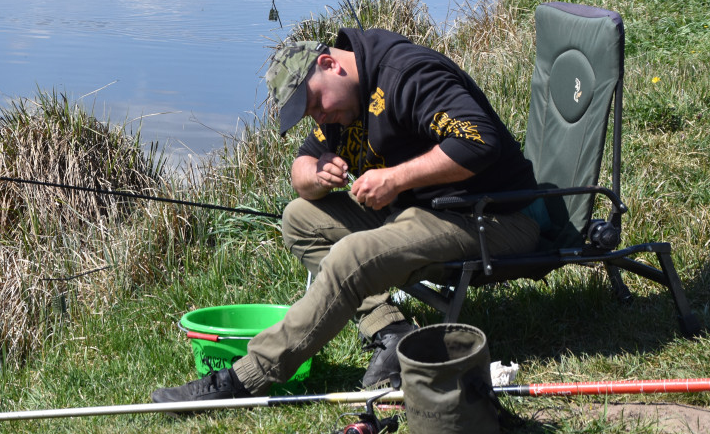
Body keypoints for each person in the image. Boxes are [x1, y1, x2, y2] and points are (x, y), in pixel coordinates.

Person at [151, 30, 547, 403]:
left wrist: (394, 178)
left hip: (494, 217)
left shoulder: (408, 75)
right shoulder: (343, 102)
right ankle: (392, 332)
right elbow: (301, 169)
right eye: (309, 114)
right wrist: (316, 175)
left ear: (329, 64)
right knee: (298, 218)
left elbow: (480, 140)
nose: (318, 118)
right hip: (422, 215)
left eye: (315, 105)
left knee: (351, 256)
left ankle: (243, 379)